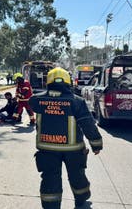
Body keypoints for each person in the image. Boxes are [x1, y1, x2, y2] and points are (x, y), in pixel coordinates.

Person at [29, 67, 103, 209]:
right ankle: (81, 199)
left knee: (50, 179)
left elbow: (31, 102)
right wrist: (96, 144)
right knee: (77, 176)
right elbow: (88, 124)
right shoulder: (77, 102)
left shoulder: (37, 100)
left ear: (48, 82)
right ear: (68, 82)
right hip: (73, 149)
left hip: (47, 148)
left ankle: (51, 206)